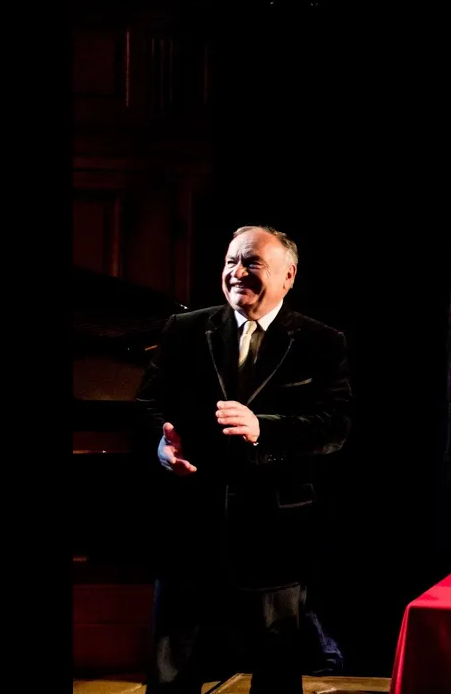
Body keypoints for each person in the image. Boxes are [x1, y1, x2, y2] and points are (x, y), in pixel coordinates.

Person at [137, 226, 352, 694]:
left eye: (252, 262)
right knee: (172, 668)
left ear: (288, 275)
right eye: (231, 261)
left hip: (275, 530)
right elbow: (148, 404)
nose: (237, 272)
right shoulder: (184, 329)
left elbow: (335, 426)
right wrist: (161, 445)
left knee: (276, 671)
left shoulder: (321, 341)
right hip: (190, 524)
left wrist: (264, 428)